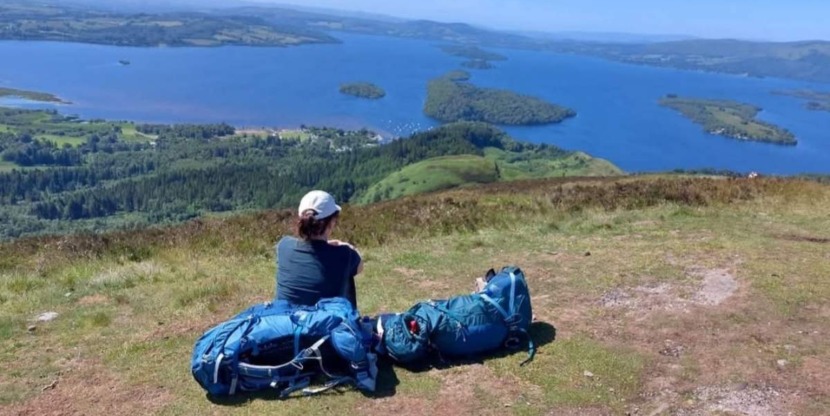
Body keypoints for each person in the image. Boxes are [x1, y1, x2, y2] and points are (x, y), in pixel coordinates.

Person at [275, 190, 363, 308]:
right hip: (325, 323)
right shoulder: (345, 255)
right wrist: (344, 245)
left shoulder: (284, 246)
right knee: (347, 275)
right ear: (331, 222)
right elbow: (360, 267)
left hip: (286, 321)